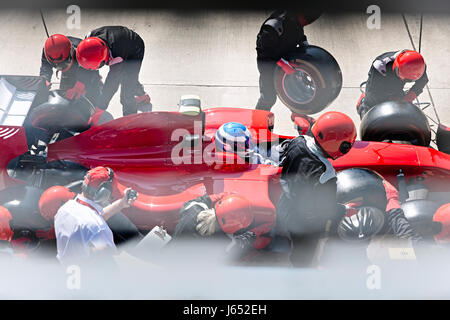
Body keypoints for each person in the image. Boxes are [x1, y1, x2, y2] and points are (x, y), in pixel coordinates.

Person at [275, 111, 357, 267]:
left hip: (285, 205)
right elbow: (325, 209)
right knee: (304, 255)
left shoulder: (298, 141)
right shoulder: (326, 174)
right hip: (305, 225)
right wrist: (344, 210)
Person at [54, 166, 137, 264]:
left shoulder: (64, 210)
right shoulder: (98, 228)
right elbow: (107, 254)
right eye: (110, 195)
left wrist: (122, 203)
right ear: (103, 194)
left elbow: (90, 221)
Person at [171, 193, 274, 261]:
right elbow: (243, 245)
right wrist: (257, 231)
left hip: (171, 253)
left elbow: (200, 200)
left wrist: (219, 196)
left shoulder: (193, 209)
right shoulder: (225, 242)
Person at [255, 8, 323, 111]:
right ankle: (258, 122)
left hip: (288, 60)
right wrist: (281, 63)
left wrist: (305, 45)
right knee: (268, 98)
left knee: (296, 93)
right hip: (268, 64)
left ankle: (300, 118)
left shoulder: (296, 21)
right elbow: (264, 50)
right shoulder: (275, 25)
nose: (306, 24)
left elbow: (299, 33)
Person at [76, 26, 152, 116]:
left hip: (134, 47)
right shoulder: (87, 42)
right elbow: (86, 64)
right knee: (128, 77)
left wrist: (100, 107)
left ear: (106, 58)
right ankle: (141, 94)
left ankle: (130, 118)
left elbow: (112, 84)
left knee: (127, 90)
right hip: (118, 39)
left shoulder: (117, 56)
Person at [357, 49, 428, 119]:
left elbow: (423, 81)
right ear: (396, 66)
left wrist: (409, 97)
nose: (402, 80)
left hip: (396, 87)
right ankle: (363, 103)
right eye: (403, 78)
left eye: (408, 80)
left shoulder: (419, 65)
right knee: (370, 110)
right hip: (379, 82)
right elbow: (375, 93)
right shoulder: (380, 65)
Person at [40, 34, 103, 106]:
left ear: (71, 51)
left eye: (63, 64)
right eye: (57, 65)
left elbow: (91, 69)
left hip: (84, 68)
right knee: (65, 99)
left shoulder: (83, 50)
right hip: (68, 70)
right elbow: (45, 66)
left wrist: (80, 85)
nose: (60, 68)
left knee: (93, 98)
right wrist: (45, 79)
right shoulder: (47, 51)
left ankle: (97, 85)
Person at [214, 122, 280, 165]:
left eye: (248, 141)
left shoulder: (250, 151)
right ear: (226, 147)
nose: (248, 146)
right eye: (241, 144)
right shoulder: (240, 164)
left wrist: (278, 150)